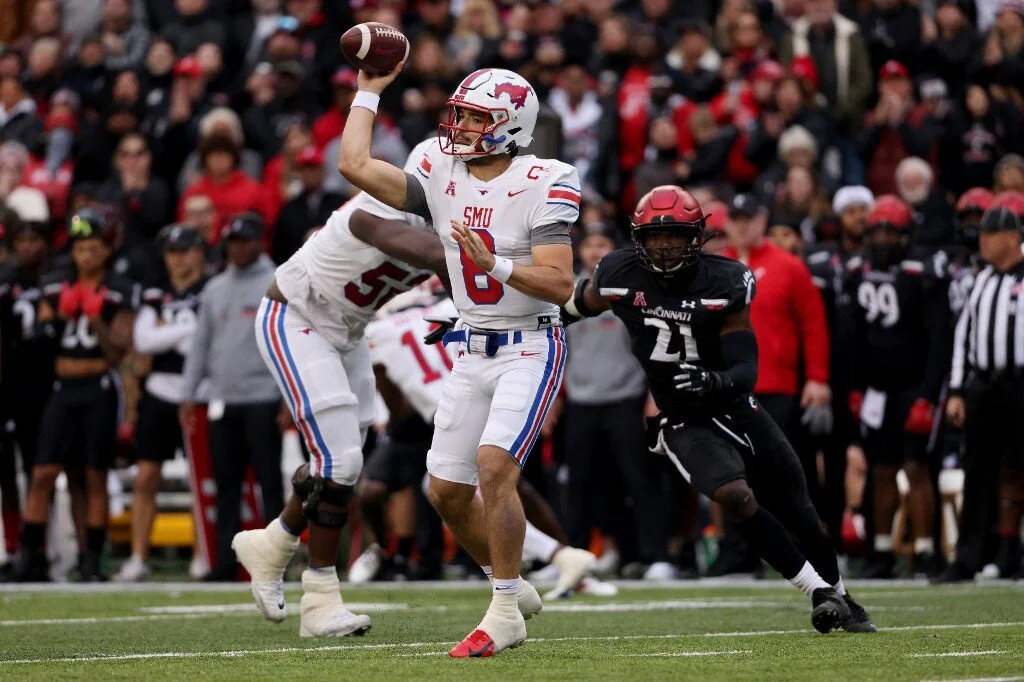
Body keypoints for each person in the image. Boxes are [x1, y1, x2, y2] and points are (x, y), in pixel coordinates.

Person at [338, 65, 579, 657]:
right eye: (462, 113)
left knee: (494, 466)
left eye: (477, 117)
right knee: (444, 490)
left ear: (512, 125)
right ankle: (515, 584)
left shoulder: (547, 178)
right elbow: (355, 167)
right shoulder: (440, 167)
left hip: (531, 342)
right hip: (471, 345)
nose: (462, 126)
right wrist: (369, 88)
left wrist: (495, 264)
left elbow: (559, 282)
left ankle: (502, 609)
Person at [563, 185, 875, 634]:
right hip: (681, 417)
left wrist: (716, 379)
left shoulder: (724, 279)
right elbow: (573, 306)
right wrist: (499, 321)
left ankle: (841, 595)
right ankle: (817, 591)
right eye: (654, 236)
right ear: (638, 238)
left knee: (799, 508)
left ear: (697, 237)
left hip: (734, 403)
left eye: (674, 236)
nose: (664, 246)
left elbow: (747, 366)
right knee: (734, 495)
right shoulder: (617, 272)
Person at [229, 141, 449, 637]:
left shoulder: (445, 227)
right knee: (342, 462)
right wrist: (492, 255)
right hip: (295, 317)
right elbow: (435, 255)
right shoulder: (375, 209)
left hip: (347, 332)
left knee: (347, 454)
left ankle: (274, 541)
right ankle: (320, 600)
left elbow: (461, 281)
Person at [360, 286, 610, 598]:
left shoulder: (378, 330)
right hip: (482, 387)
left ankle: (556, 559)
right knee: (496, 486)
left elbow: (397, 406)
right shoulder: (445, 305)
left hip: (453, 404)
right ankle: (560, 561)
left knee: (471, 488)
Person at [7, 206, 137, 582]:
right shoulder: (55, 284)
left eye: (94, 248)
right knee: (43, 471)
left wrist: (95, 318)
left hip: (98, 387)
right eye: (80, 249)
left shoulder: (119, 288)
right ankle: (27, 556)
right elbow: (36, 346)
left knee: (94, 475)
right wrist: (60, 318)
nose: (86, 256)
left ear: (107, 250)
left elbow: (119, 351)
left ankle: (91, 561)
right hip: (62, 387)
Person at [557, 222, 676, 579]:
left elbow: (651, 346)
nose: (595, 251)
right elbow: (558, 347)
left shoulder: (631, 288)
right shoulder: (567, 288)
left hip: (626, 397)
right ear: (579, 250)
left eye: (603, 243)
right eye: (589, 244)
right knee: (579, 484)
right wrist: (554, 396)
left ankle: (657, 557)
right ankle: (572, 559)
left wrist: (653, 394)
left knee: (638, 480)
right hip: (579, 399)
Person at [845, 195, 952, 579]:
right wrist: (856, 386)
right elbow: (854, 336)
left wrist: (927, 393)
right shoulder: (858, 269)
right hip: (877, 389)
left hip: (913, 385)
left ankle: (924, 551)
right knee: (881, 469)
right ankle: (881, 550)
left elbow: (940, 337)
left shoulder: (922, 272)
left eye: (890, 230)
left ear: (907, 234)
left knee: (917, 467)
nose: (883, 238)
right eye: (877, 230)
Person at [178, 212, 284, 582]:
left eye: (245, 241)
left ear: (259, 242)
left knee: (269, 483)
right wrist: (187, 394)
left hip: (264, 397)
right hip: (222, 400)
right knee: (227, 485)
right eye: (232, 242)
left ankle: (276, 562)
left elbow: (289, 342)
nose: (238, 248)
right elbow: (200, 345)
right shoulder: (215, 287)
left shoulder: (278, 281)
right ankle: (225, 562)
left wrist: (289, 397)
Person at [115, 225, 207, 582]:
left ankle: (202, 554)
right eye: (172, 251)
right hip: (158, 390)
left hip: (199, 392)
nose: (180, 258)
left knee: (199, 479)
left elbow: (202, 337)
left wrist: (170, 332)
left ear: (200, 252)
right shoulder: (157, 293)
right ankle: (139, 556)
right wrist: (185, 330)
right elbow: (145, 340)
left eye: (186, 250)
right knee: (146, 476)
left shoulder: (210, 289)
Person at [939, 205, 1024, 581]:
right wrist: (957, 389)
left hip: (1021, 383)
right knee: (977, 471)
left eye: (989, 236)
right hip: (984, 386)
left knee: (1018, 468)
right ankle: (967, 558)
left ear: (1010, 238)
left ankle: (1011, 554)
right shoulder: (981, 280)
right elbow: (963, 338)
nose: (983, 242)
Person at [0, 218, 53, 573]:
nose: (28, 246)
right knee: (8, 473)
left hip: (47, 386)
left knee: (41, 470)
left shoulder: (56, 279)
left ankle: (40, 550)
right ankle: (14, 546)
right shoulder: (6, 282)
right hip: (10, 386)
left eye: (35, 240)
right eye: (22, 240)